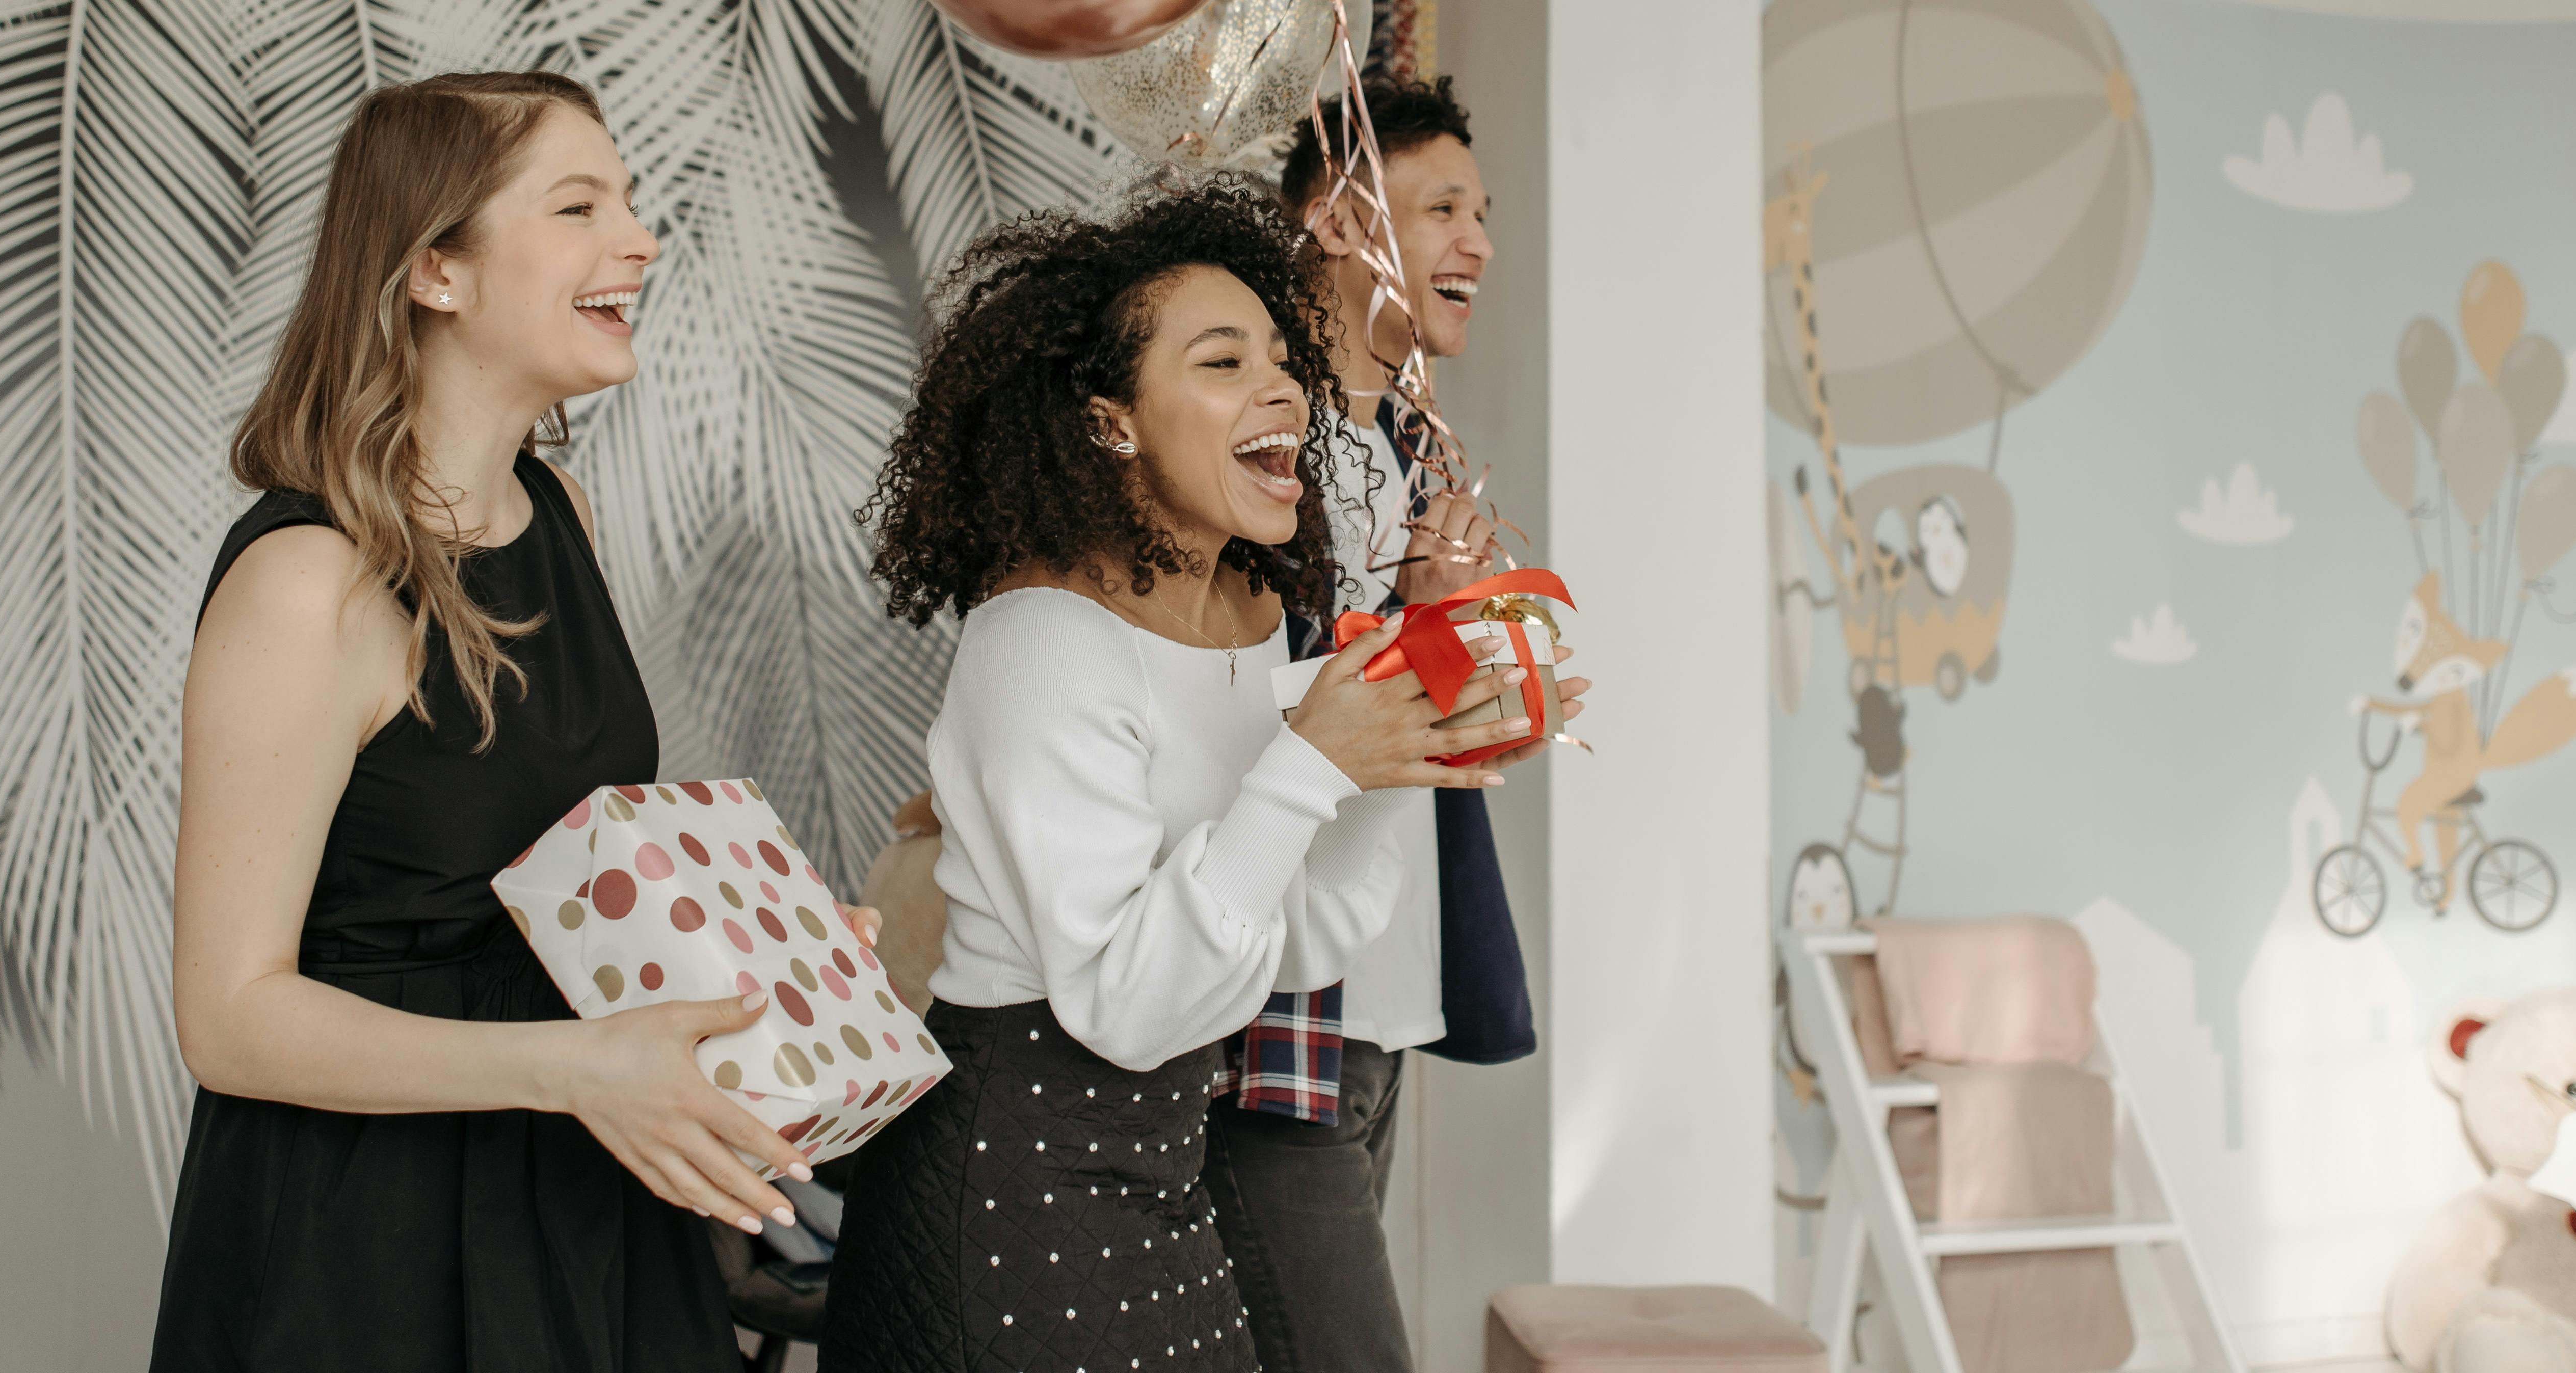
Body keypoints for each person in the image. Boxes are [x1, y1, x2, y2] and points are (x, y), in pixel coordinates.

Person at [154, 72, 856, 1373]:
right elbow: (229, 1018)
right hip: (369, 1243)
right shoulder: (307, 584)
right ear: (435, 270)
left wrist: (776, 961)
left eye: (631, 203)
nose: (637, 240)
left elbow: (554, 890)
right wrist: (572, 1071)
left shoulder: (561, 521)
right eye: (579, 205)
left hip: (584, 1196)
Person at [818, 177, 1581, 1373]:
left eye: (1281, 358)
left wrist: (1409, 736)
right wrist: (1316, 759)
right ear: (1110, 419)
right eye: (1221, 362)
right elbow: (1127, 1005)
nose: (1281, 386)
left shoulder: (1258, 615)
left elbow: (1300, 937)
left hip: (1163, 1181)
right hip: (1010, 1192)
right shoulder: (1037, 639)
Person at [1200, 74, 1535, 1373]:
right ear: (1340, 222)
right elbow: (1229, 709)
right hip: (1280, 1003)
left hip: (1382, 993)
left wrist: (1468, 647)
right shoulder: (1258, 442)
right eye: (1442, 206)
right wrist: (1420, 624)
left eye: (1481, 210)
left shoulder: (1411, 443)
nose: (1479, 243)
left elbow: (1417, 714)